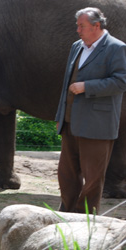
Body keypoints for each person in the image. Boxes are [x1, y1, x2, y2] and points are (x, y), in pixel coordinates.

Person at [55, 7, 126, 214]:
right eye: (78, 26)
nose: (78, 30)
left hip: (98, 125)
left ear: (96, 26)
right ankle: (66, 212)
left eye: (81, 26)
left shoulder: (116, 48)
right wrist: (60, 116)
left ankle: (85, 216)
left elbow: (121, 81)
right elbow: (66, 84)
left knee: (93, 177)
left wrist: (87, 87)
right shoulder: (77, 46)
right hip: (70, 123)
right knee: (66, 174)